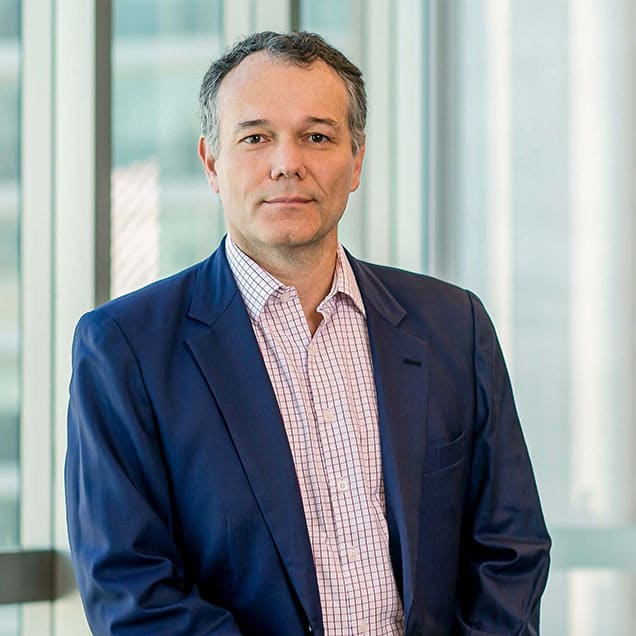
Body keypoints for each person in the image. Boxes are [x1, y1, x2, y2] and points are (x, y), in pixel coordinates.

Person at [65, 31, 550, 636]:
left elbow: (510, 548)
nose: (287, 162)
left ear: (356, 160)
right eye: (255, 137)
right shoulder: (124, 349)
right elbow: (131, 591)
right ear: (212, 163)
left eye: (317, 136)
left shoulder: (453, 325)